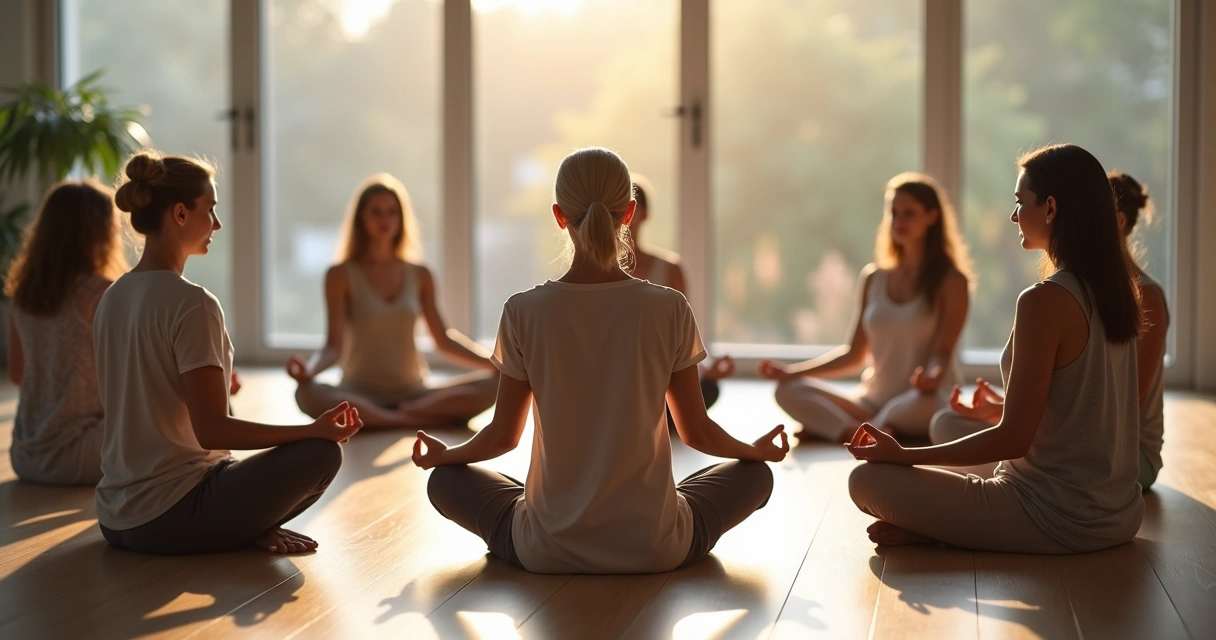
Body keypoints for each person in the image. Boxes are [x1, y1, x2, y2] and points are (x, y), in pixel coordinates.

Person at [415, 147, 787, 574]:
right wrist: (752, 449)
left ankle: (547, 511)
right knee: (755, 476)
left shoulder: (523, 311)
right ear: (628, 213)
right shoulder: (668, 307)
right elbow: (697, 432)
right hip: (655, 548)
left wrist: (445, 456)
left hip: (545, 549)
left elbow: (502, 437)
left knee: (446, 481)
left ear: (559, 215)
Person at [847, 143, 1144, 554]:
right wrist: (1000, 409)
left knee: (866, 481)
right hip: (1119, 512)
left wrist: (902, 456)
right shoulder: (1115, 290)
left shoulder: (1045, 300)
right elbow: (1085, 407)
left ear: (1051, 209)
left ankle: (951, 526)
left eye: (1021, 202)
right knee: (947, 423)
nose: (1014, 215)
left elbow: (1012, 442)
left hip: (1057, 515)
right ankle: (954, 523)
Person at [94, 150, 362, 555]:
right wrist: (312, 430)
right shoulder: (193, 303)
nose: (216, 223)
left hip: (114, 519)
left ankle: (242, 526)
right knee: (322, 454)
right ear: (180, 214)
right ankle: (240, 527)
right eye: (210, 209)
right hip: (173, 515)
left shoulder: (111, 298)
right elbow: (213, 431)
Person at [928, 172, 1170, 492]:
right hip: (1070, 442)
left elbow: (1121, 408)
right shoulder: (1077, 291)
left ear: (1118, 222)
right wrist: (1005, 410)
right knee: (945, 424)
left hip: (1122, 454)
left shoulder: (1145, 295)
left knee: (971, 449)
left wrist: (1009, 420)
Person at [758, 172, 972, 442]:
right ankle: (865, 431)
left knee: (930, 409)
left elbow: (943, 353)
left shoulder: (952, 281)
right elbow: (853, 355)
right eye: (893, 212)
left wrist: (932, 378)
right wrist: (791, 372)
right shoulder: (873, 278)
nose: (899, 220)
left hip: (922, 400)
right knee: (786, 390)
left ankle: (847, 428)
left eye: (909, 212)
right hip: (871, 400)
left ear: (932, 216)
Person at [289, 174, 497, 428]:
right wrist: (309, 370)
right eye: (376, 212)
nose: (385, 220)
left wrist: (495, 364)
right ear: (361, 218)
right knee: (306, 393)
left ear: (401, 218)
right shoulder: (340, 274)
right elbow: (333, 346)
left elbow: (443, 339)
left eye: (392, 212)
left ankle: (392, 417)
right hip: (358, 394)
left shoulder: (420, 273)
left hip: (415, 393)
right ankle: (403, 419)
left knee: (499, 384)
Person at [5, 180, 126, 485]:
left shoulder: (23, 293)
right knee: (184, 422)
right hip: (81, 453)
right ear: (100, 234)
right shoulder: (99, 292)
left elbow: (18, 375)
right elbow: (129, 381)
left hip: (25, 455)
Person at [628, 175, 735, 412]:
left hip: (658, 376)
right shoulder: (596, 271)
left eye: (631, 206)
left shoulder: (670, 269)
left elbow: (683, 333)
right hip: (619, 380)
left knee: (707, 389)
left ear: (643, 213)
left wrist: (705, 368)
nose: (624, 215)